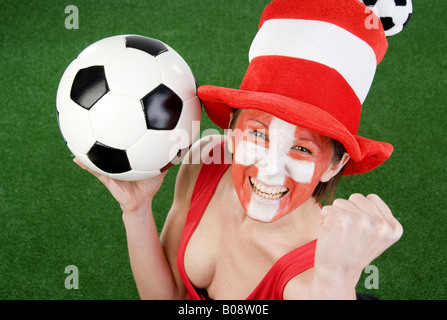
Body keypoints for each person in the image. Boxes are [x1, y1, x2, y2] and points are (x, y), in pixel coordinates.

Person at [75, 0, 408, 299]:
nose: (270, 170)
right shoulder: (205, 160)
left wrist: (336, 280)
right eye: (258, 135)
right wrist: (136, 210)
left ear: (335, 165)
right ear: (232, 129)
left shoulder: (315, 277)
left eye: (302, 149)